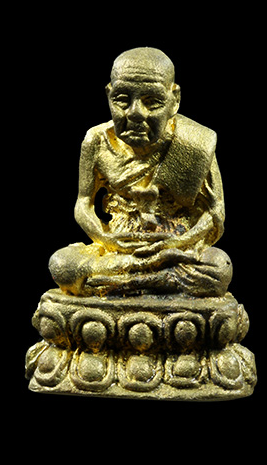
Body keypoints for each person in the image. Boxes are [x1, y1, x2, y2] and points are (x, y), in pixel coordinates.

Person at [49, 47, 232, 297]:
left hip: (174, 250)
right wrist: (105, 237)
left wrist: (177, 244)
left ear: (174, 100)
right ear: (109, 94)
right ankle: (153, 280)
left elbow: (216, 211)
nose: (135, 113)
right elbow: (83, 203)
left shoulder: (195, 143)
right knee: (62, 265)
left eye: (152, 102)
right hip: (119, 247)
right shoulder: (97, 141)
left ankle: (120, 283)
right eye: (122, 100)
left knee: (219, 268)